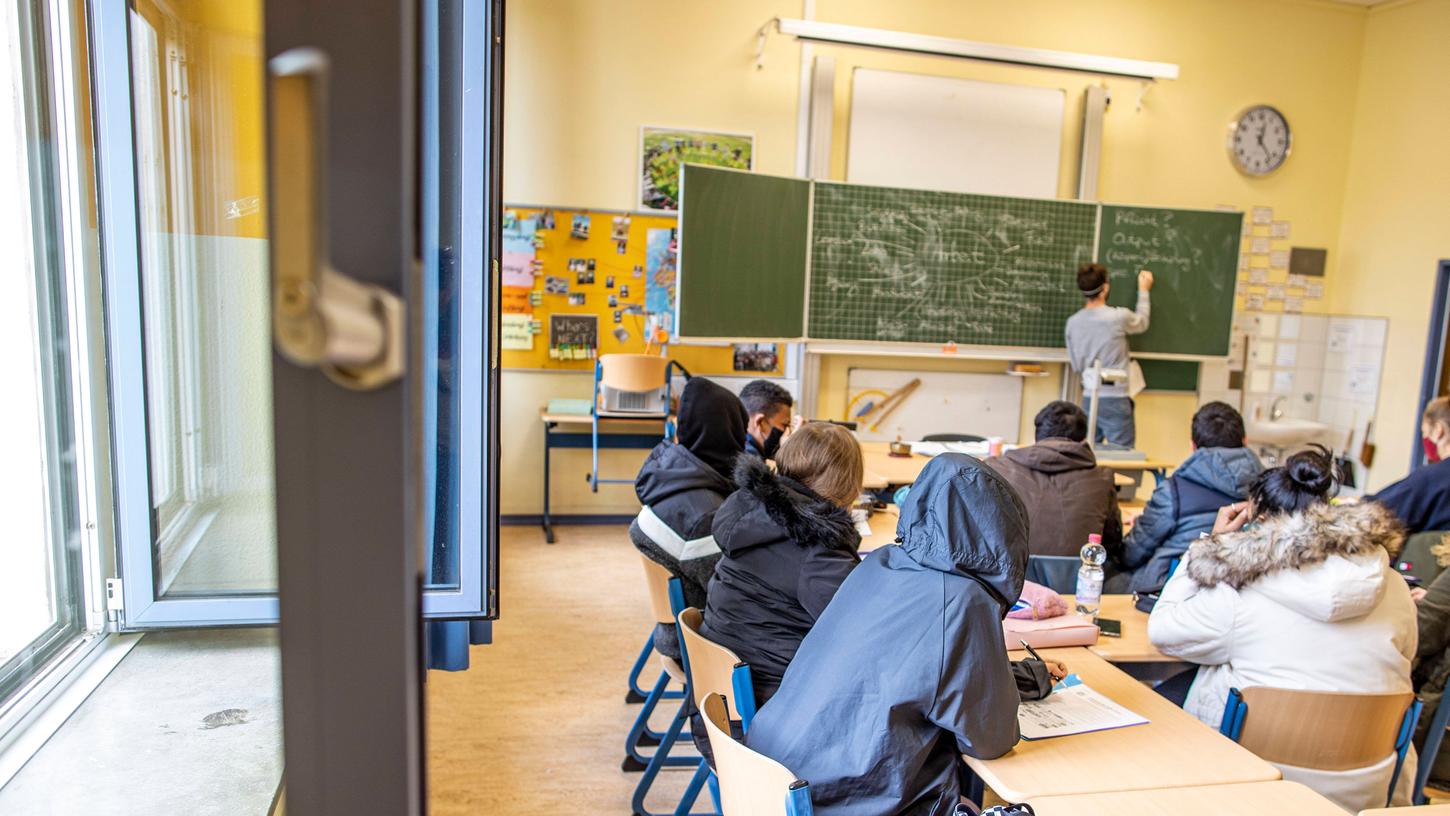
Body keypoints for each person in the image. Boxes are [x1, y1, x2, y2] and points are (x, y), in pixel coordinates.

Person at [745, 454, 1062, 814]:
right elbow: (991, 739)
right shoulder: (965, 601)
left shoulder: (879, 564)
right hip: (839, 800)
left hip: (767, 780)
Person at [1149, 448, 1416, 812]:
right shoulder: (1395, 588)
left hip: (1254, 791)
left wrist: (1207, 546)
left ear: (1257, 521)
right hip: (1363, 794)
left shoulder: (1242, 590)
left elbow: (1163, 630)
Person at [698, 421, 863, 706]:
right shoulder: (817, 549)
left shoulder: (750, 511)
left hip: (719, 703)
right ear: (847, 483)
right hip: (770, 718)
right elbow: (861, 630)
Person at [629, 376, 747, 659]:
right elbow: (734, 594)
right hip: (700, 644)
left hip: (678, 626)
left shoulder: (672, 477)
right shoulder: (705, 515)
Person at [1107, 401, 1261, 595]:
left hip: (1169, 588)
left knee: (1104, 577)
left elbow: (1131, 554)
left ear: (1193, 446)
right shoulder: (1269, 490)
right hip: (1242, 589)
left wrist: (1144, 527)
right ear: (1245, 441)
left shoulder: (1174, 491)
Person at [985, 400, 1122, 558]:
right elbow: (1112, 541)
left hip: (1007, 576)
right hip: (1076, 578)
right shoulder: (1102, 478)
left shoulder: (996, 468)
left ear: (1036, 436)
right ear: (1082, 440)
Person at [1065, 263, 1152, 448]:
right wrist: (1144, 291)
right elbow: (1142, 323)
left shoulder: (1073, 323)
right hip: (1115, 397)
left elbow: (1076, 366)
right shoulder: (1118, 317)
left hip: (1088, 397)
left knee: (1086, 454)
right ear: (1104, 289)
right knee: (1122, 456)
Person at [1371, 396, 1450, 533]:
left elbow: (1377, 512)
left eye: (1425, 433)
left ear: (1438, 430)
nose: (1425, 440)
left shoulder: (1432, 479)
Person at [739, 379, 794, 461]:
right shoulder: (749, 463)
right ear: (760, 422)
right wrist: (788, 454)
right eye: (784, 425)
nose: (788, 432)